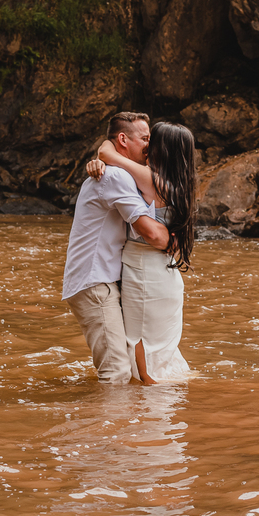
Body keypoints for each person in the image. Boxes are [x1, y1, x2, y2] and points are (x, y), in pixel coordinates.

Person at [62, 112, 172, 384]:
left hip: (102, 280)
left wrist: (106, 152)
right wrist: (180, 240)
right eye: (145, 138)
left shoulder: (119, 172)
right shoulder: (113, 177)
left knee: (125, 367)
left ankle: (125, 423)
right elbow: (153, 235)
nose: (150, 145)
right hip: (96, 283)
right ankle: (107, 425)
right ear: (123, 139)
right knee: (117, 373)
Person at [93, 122, 197, 384]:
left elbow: (108, 153)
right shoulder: (180, 186)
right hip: (164, 274)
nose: (147, 149)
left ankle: (148, 415)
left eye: (152, 143)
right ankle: (165, 411)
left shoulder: (152, 180)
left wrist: (100, 154)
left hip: (145, 273)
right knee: (160, 348)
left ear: (162, 150)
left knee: (143, 347)